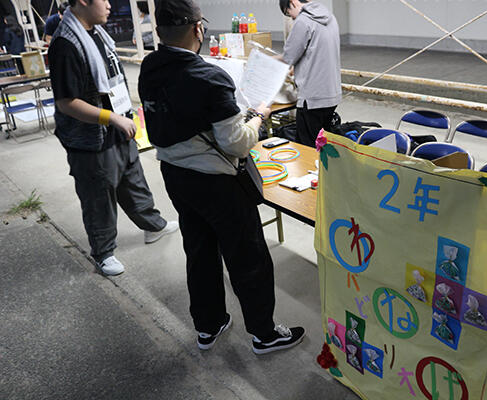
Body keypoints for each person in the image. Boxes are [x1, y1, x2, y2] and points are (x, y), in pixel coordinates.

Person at [138, 0, 305, 354]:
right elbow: (237, 143)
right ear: (198, 29)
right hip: (216, 182)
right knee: (247, 257)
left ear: (159, 31)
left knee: (199, 250)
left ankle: (208, 325)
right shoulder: (208, 76)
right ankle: (264, 334)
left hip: (176, 177)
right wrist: (258, 116)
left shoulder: (149, 68)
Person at [48, 0, 178, 276]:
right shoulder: (65, 44)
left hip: (118, 127)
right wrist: (112, 118)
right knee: (99, 196)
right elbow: (66, 102)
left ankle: (153, 226)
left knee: (134, 182)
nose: (109, 5)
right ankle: (103, 253)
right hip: (91, 138)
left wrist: (123, 117)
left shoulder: (96, 33)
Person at [277, 0, 341, 147]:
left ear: (293, 2)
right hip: (332, 95)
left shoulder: (303, 20)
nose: (292, 18)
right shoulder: (330, 17)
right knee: (324, 146)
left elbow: (288, 57)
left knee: (307, 148)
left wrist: (263, 59)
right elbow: (316, 52)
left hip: (312, 99)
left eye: (289, 13)